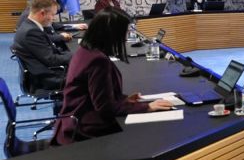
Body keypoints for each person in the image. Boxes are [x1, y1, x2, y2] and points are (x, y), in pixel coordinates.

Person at [52, 9, 173, 146]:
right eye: (125, 32)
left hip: (72, 121)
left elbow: (96, 96)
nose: (126, 37)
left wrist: (123, 99)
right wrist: (147, 107)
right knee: (153, 137)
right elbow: (106, 108)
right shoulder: (98, 60)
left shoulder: (85, 50)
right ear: (112, 33)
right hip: (84, 129)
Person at [13, 0, 74, 90]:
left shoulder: (29, 26)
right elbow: (51, 60)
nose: (53, 18)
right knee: (92, 75)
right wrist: (76, 56)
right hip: (48, 78)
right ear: (42, 13)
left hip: (43, 72)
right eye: (52, 15)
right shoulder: (31, 32)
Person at [17, 0, 85, 47]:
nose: (53, 4)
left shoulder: (36, 12)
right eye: (50, 1)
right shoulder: (30, 16)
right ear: (41, 1)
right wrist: (60, 37)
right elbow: (40, 38)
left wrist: (74, 26)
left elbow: (52, 25)